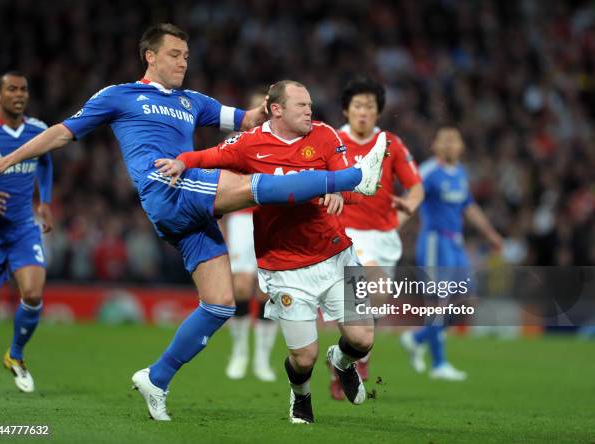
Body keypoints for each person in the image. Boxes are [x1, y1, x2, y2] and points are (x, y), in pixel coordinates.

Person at [0, 26, 386, 420]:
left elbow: (248, 119)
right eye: (175, 55)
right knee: (254, 187)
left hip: (191, 207)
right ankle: (356, 178)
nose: (183, 62)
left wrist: (279, 104)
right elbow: (61, 133)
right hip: (168, 185)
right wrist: (6, 160)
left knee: (220, 303)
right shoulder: (120, 96)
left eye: (187, 56)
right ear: (151, 56)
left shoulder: (193, 101)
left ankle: (156, 379)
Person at [156, 80, 385, 424]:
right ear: (276, 109)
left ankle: (341, 361)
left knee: (362, 339)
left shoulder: (325, 135)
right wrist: (182, 162)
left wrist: (340, 193)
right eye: (301, 106)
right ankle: (301, 396)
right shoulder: (250, 144)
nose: (310, 111)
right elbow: (211, 156)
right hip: (285, 266)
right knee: (304, 357)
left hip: (337, 254)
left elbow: (353, 184)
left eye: (310, 105)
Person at [327, 77, 424, 400]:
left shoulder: (391, 144)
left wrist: (402, 216)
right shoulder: (333, 141)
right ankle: (356, 360)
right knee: (377, 290)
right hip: (346, 233)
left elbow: (417, 187)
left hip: (383, 236)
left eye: (370, 106)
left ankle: (344, 359)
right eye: (358, 106)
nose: (363, 112)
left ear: (378, 112)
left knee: (373, 303)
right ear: (346, 109)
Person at [400, 127, 503, 381]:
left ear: (461, 146)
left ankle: (417, 338)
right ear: (434, 145)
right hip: (435, 242)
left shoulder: (460, 173)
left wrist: (490, 233)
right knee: (438, 303)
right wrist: (391, 229)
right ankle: (439, 364)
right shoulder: (428, 172)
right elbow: (409, 200)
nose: (449, 144)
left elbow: (468, 205)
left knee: (468, 302)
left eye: (453, 140)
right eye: (443, 140)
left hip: (456, 244)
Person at [0, 71, 54, 398]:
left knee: (34, 293)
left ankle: (16, 355)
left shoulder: (38, 130)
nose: (19, 94)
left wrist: (46, 202)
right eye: (11, 89)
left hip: (24, 228)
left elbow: (45, 163)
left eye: (23, 89)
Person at [224, 92, 278, 383]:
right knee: (242, 288)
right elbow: (220, 186)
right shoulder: (236, 142)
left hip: (274, 220)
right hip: (242, 219)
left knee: (268, 292)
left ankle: (262, 359)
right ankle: (240, 352)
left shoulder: (285, 143)